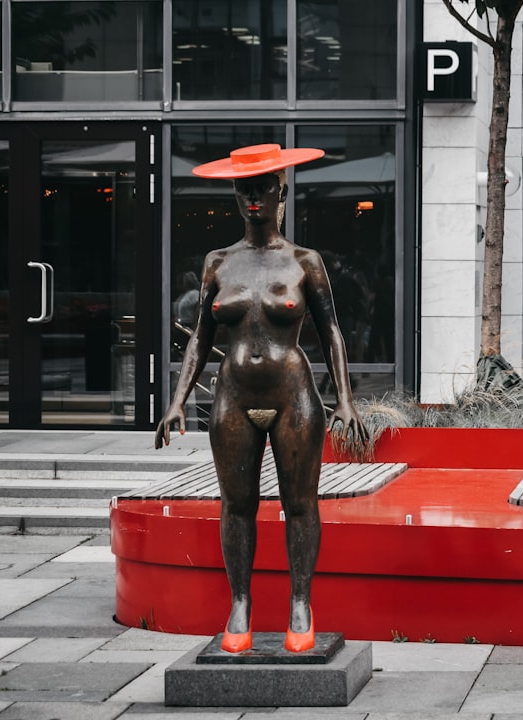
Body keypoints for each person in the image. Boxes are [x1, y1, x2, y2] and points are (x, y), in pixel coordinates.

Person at [154, 144, 368, 654]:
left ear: (281, 192)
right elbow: (201, 338)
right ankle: (241, 603)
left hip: (294, 395)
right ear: (234, 194)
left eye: (262, 188)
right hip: (232, 397)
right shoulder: (218, 262)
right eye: (243, 189)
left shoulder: (303, 261)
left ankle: (300, 602)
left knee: (299, 504)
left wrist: (346, 400)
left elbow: (332, 331)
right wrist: (177, 400)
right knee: (237, 504)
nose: (253, 197)